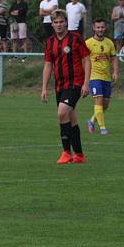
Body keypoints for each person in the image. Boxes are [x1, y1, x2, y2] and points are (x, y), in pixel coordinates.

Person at [41, 10, 91, 164]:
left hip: (75, 83)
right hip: (60, 86)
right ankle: (80, 155)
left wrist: (86, 83)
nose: (58, 25)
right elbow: (48, 65)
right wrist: (44, 88)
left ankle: (66, 152)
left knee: (62, 112)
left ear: (66, 22)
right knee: (71, 118)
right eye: (55, 22)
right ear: (52, 24)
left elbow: (86, 60)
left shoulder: (75, 38)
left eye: (61, 21)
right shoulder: (50, 42)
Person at [86, 18, 118, 136]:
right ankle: (103, 128)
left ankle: (91, 121)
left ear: (105, 28)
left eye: (102, 27)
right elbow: (83, 59)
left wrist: (115, 71)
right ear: (94, 28)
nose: (100, 29)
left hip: (106, 77)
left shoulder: (109, 43)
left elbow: (114, 58)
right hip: (94, 76)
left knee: (106, 104)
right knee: (99, 100)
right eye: (98, 27)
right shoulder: (88, 43)